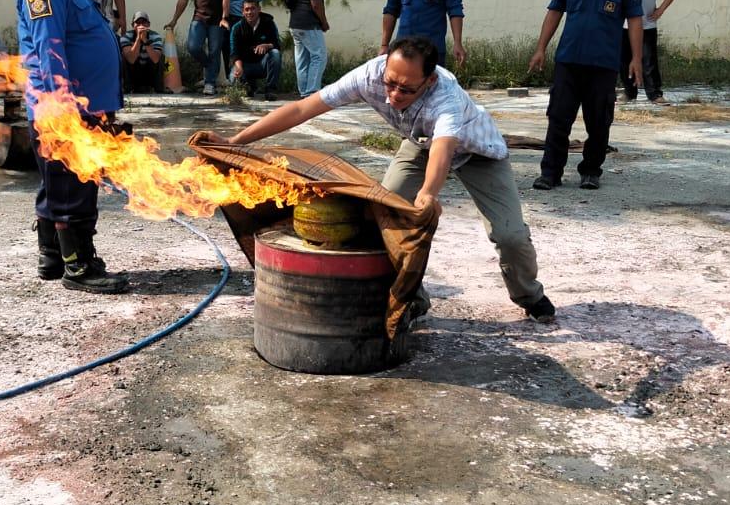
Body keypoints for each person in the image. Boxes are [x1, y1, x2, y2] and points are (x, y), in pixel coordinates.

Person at [227, 36, 554, 324]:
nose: (394, 94)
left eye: (407, 89)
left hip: (476, 152)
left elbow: (443, 152)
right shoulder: (370, 74)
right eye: (390, 83)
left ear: (428, 81)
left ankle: (529, 296)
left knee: (509, 235)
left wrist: (427, 194)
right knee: (384, 217)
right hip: (419, 143)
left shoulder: (446, 97)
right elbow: (302, 109)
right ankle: (414, 298)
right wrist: (235, 142)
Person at [16, 0, 128, 294]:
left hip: (87, 106)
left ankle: (51, 256)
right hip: (65, 110)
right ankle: (78, 266)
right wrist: (63, 111)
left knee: (63, 184)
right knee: (73, 187)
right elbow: (49, 53)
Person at [528, 0, 643, 191]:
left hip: (603, 63)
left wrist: (636, 58)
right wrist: (541, 48)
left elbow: (635, 20)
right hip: (568, 61)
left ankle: (591, 170)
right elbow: (555, 11)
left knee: (599, 121)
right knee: (558, 118)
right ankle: (550, 173)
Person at [165, 0, 231, 96]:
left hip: (216, 20)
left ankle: (209, 83)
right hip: (199, 18)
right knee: (193, 47)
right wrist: (174, 20)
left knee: (215, 51)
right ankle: (210, 68)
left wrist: (224, 17)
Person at [619, 0, 679, 104]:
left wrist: (661, 9)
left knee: (648, 61)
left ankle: (655, 94)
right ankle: (629, 93)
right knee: (624, 61)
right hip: (625, 26)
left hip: (647, 25)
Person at [285, 0, 330, 97]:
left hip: (295, 25)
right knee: (319, 55)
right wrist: (324, 22)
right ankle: (312, 92)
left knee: (302, 59)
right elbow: (316, 4)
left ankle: (304, 91)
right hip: (308, 25)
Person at [228, 0, 283, 100]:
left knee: (275, 53)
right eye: (247, 9)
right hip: (244, 66)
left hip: (263, 65)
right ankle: (250, 86)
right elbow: (234, 53)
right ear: (243, 12)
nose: (250, 12)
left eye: (253, 8)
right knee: (233, 79)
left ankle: (270, 90)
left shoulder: (269, 23)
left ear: (259, 9)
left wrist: (267, 45)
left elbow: (277, 44)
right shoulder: (237, 28)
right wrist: (239, 68)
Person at [120, 11, 166, 94]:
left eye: (144, 22)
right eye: (138, 23)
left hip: (148, 71)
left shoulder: (155, 36)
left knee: (160, 56)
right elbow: (131, 59)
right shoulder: (126, 36)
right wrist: (138, 39)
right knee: (124, 56)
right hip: (134, 71)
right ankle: (128, 87)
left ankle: (157, 87)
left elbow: (156, 59)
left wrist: (145, 40)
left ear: (148, 25)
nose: (141, 25)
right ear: (133, 25)